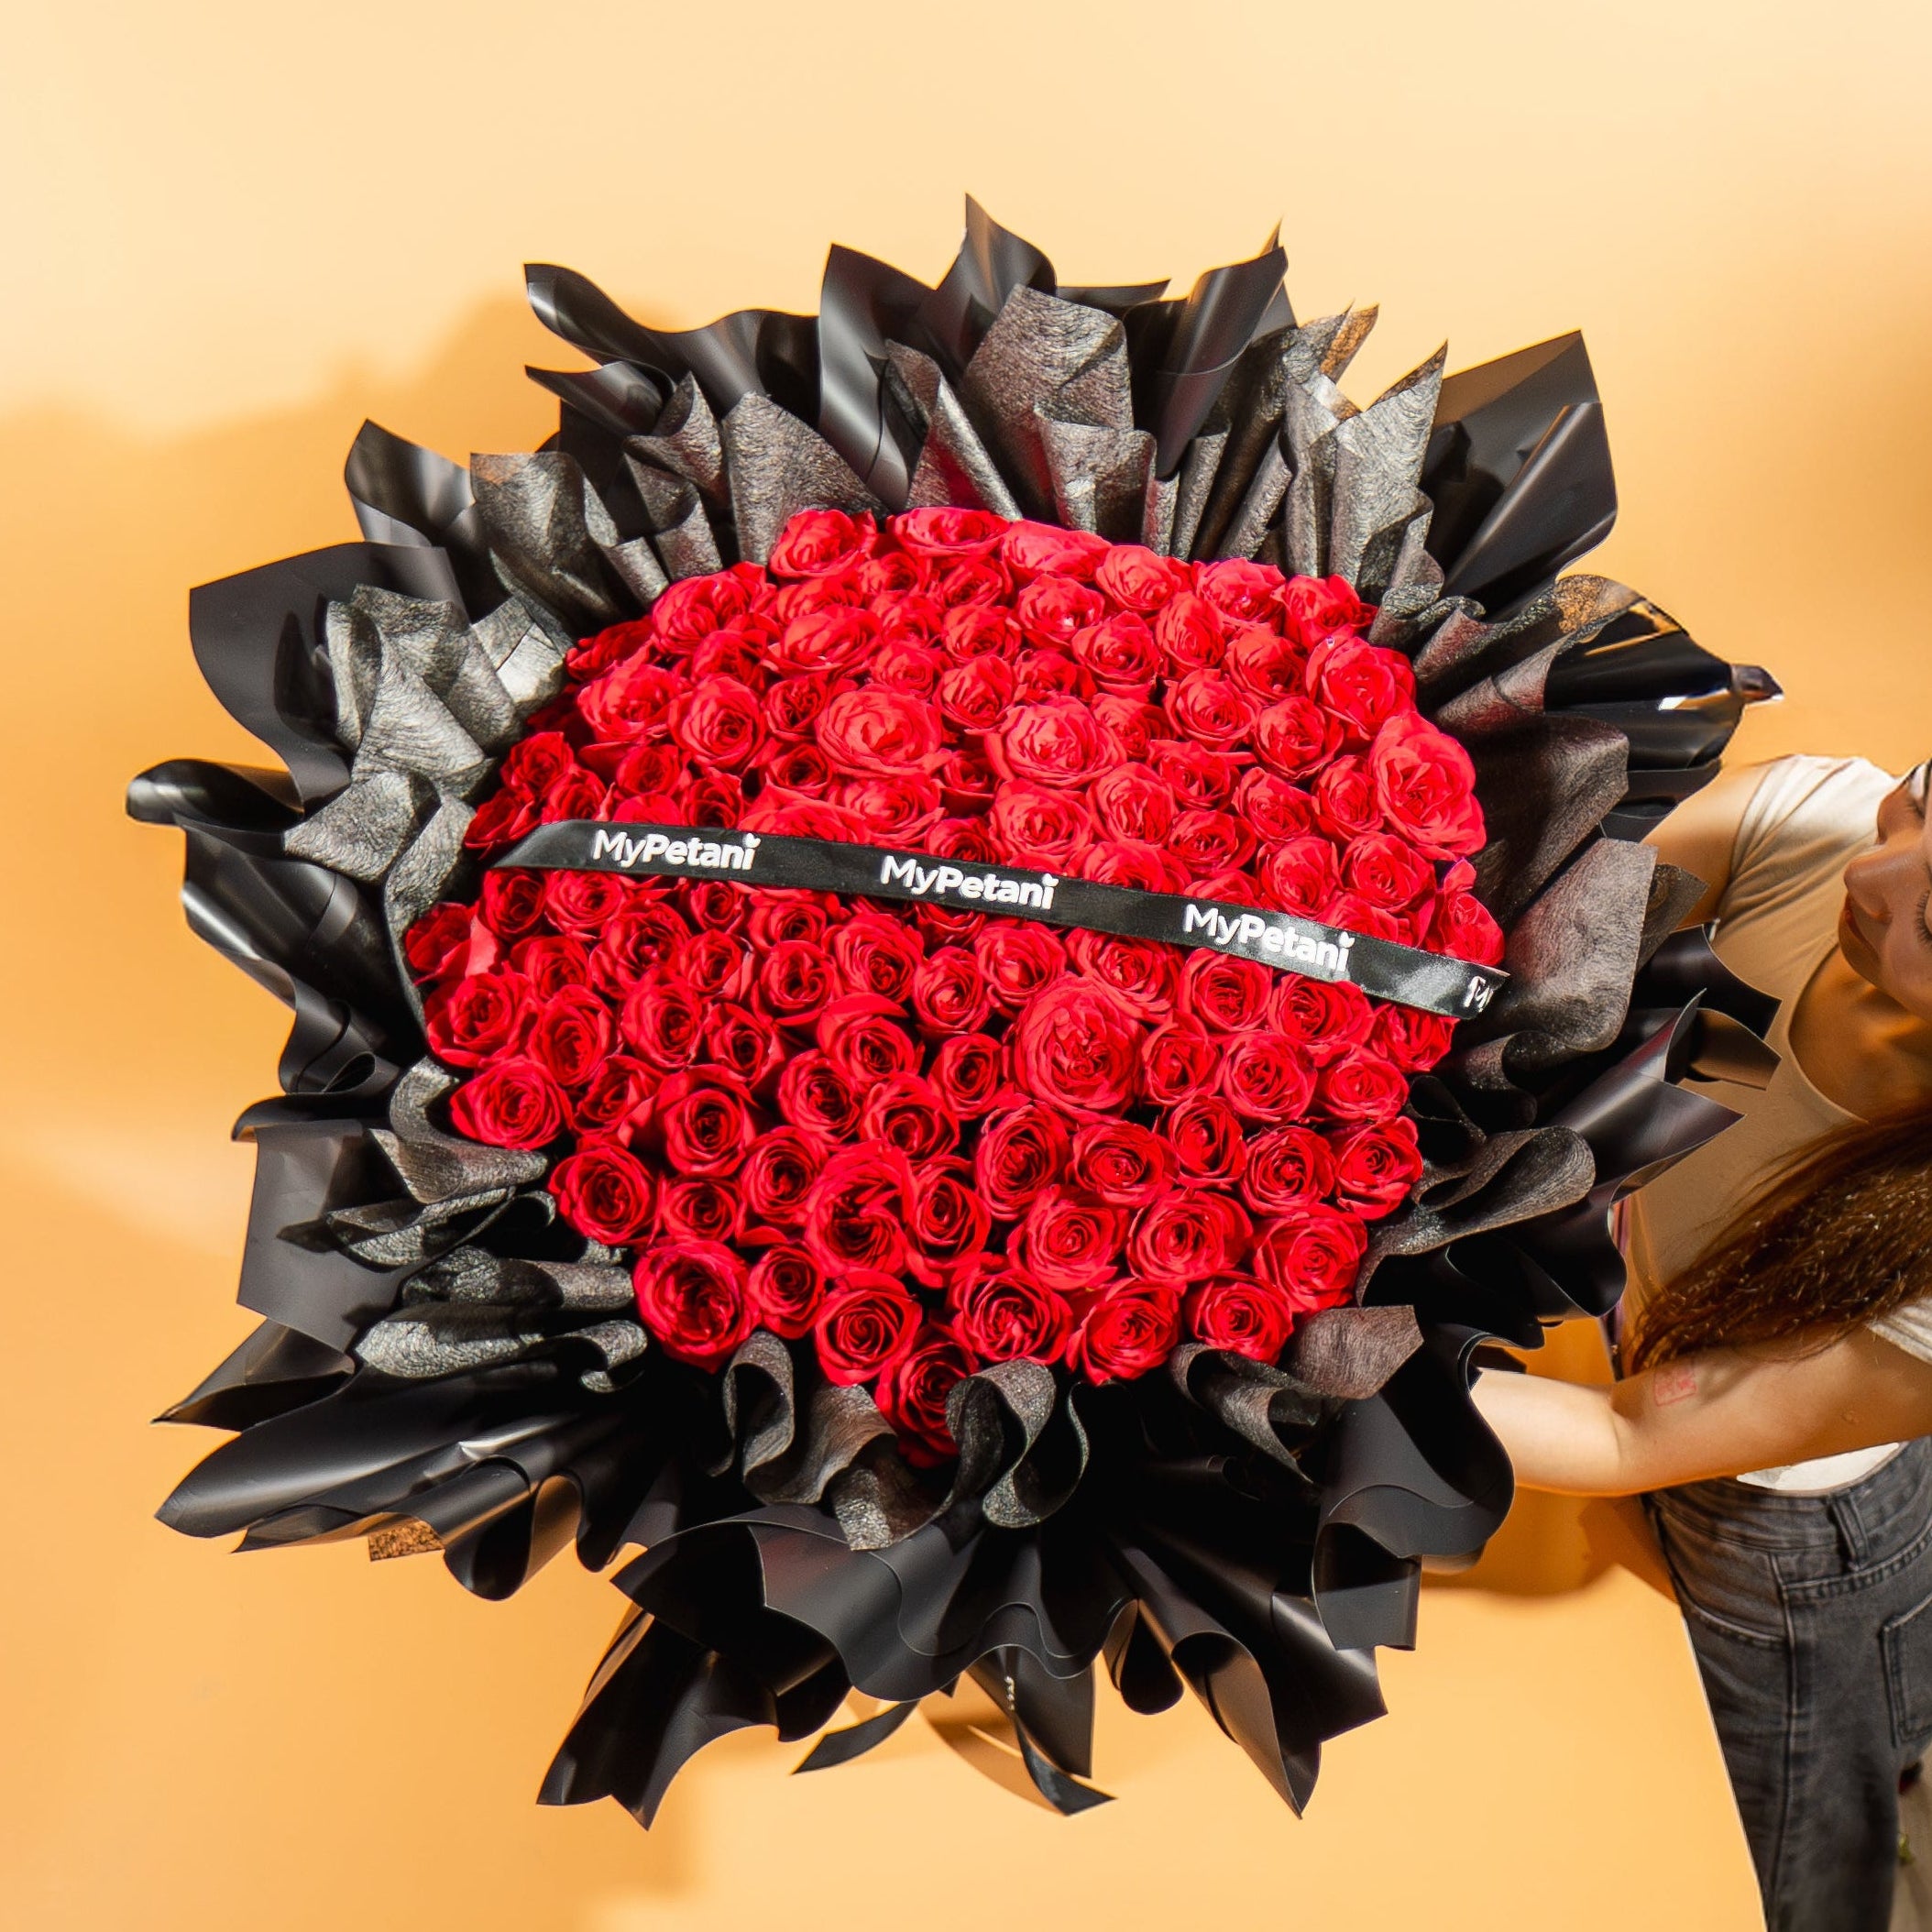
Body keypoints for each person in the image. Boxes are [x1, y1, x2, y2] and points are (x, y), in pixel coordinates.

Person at [1470, 752, 1932, 1932]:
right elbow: (1529, 927)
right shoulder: (1818, 820)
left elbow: (1628, 1436)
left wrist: (1264, 1355)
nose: (1873, 870)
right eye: (1929, 795)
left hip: (1781, 1531)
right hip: (1697, 1371)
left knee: (1790, 1846)